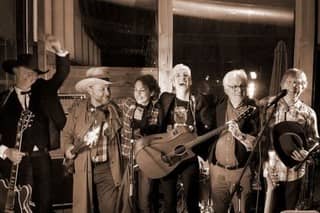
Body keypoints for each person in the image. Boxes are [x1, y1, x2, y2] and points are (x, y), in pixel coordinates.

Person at [0, 36, 70, 213]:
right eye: (26, 72)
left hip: (42, 160)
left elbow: (61, 74)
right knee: (20, 207)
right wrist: (6, 151)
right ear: (15, 72)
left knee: (44, 206)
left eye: (34, 73)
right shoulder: (3, 100)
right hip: (15, 162)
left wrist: (59, 51)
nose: (30, 77)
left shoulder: (43, 90)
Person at [63, 67, 122, 213]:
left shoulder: (115, 111)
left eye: (108, 89)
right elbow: (66, 134)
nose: (108, 93)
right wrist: (67, 147)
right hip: (84, 167)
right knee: (84, 208)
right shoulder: (77, 110)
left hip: (108, 170)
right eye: (102, 89)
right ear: (90, 89)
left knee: (111, 209)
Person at [262, 68, 319, 212]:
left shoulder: (308, 113)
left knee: (290, 211)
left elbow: (315, 141)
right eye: (290, 82)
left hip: (295, 173)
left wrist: (308, 153)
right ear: (282, 85)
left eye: (299, 83)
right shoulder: (269, 109)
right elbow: (261, 139)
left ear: (303, 86)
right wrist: (263, 165)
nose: (295, 86)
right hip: (272, 172)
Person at [158, 64, 213, 213]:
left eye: (186, 75)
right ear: (172, 81)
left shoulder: (198, 101)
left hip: (190, 155)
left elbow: (207, 126)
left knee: (192, 200)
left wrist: (203, 155)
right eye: (178, 75)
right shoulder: (165, 99)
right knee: (169, 201)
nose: (182, 78)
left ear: (190, 81)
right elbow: (157, 124)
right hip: (169, 155)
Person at [207, 69, 259, 213]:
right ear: (225, 89)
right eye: (234, 86)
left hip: (241, 171)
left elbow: (256, 143)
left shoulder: (253, 109)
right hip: (218, 171)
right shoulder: (219, 106)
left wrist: (239, 135)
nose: (239, 90)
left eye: (242, 86)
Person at [116, 74, 162, 213]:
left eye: (142, 90)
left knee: (145, 198)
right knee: (128, 197)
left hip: (146, 159)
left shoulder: (156, 110)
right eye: (136, 90)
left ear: (152, 92)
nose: (138, 93)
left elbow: (154, 135)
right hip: (128, 158)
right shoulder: (128, 104)